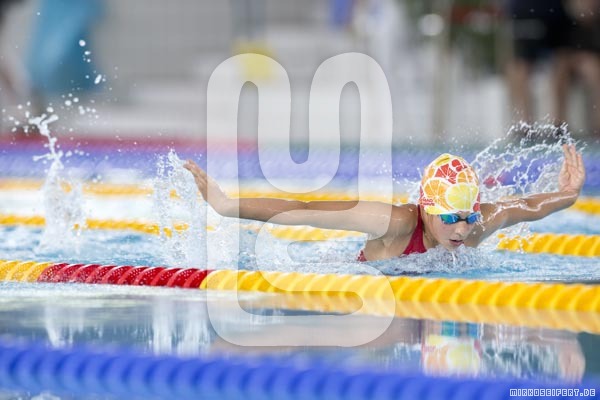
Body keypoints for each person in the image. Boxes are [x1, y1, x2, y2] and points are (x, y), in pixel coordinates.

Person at [183, 144, 584, 261]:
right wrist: (226, 205)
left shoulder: (477, 224)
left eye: (468, 217)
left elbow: (525, 207)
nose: (462, 229)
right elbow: (304, 210)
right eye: (450, 218)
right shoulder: (392, 222)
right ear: (426, 207)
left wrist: (567, 195)